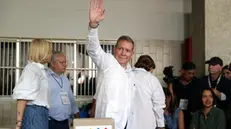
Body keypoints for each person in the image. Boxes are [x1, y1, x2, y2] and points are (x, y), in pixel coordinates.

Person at [87, 0, 135, 129]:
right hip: (104, 125)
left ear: (132, 54)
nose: (123, 53)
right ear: (115, 49)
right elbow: (93, 49)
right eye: (120, 49)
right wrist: (93, 25)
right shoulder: (108, 62)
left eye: (127, 50)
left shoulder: (131, 73)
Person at [12, 39, 52, 129]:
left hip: (41, 113)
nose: (51, 54)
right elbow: (22, 97)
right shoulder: (31, 69)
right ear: (42, 52)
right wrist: (19, 123)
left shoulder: (40, 69)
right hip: (34, 112)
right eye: (49, 51)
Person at [126, 55, 165, 129]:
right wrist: (161, 124)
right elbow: (158, 105)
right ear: (150, 67)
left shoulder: (126, 75)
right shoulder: (152, 79)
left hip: (127, 124)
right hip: (147, 124)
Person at [46, 51, 79, 129]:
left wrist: (77, 115)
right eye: (61, 62)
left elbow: (71, 99)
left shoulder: (65, 79)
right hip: (50, 122)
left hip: (65, 122)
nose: (65, 65)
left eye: (65, 62)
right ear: (52, 64)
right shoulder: (45, 78)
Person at [165, 62, 201, 128]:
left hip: (193, 115)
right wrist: (170, 82)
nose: (191, 76)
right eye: (189, 73)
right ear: (182, 71)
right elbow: (169, 97)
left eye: (193, 73)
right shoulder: (175, 82)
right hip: (177, 115)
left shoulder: (198, 83)